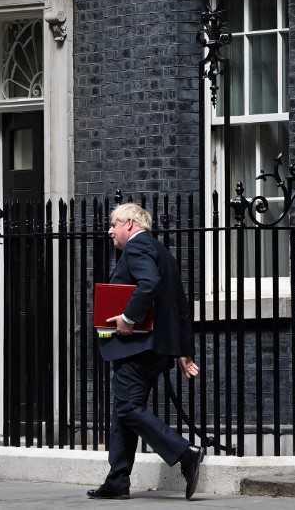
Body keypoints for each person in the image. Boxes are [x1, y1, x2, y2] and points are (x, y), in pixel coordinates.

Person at [87, 203, 204, 501]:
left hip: (136, 348)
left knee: (127, 409)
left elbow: (148, 284)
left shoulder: (136, 249)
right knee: (124, 411)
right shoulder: (162, 251)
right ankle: (117, 480)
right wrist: (182, 351)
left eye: (114, 224)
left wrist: (127, 318)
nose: (110, 230)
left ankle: (184, 453)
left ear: (129, 223)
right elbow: (178, 304)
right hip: (157, 349)